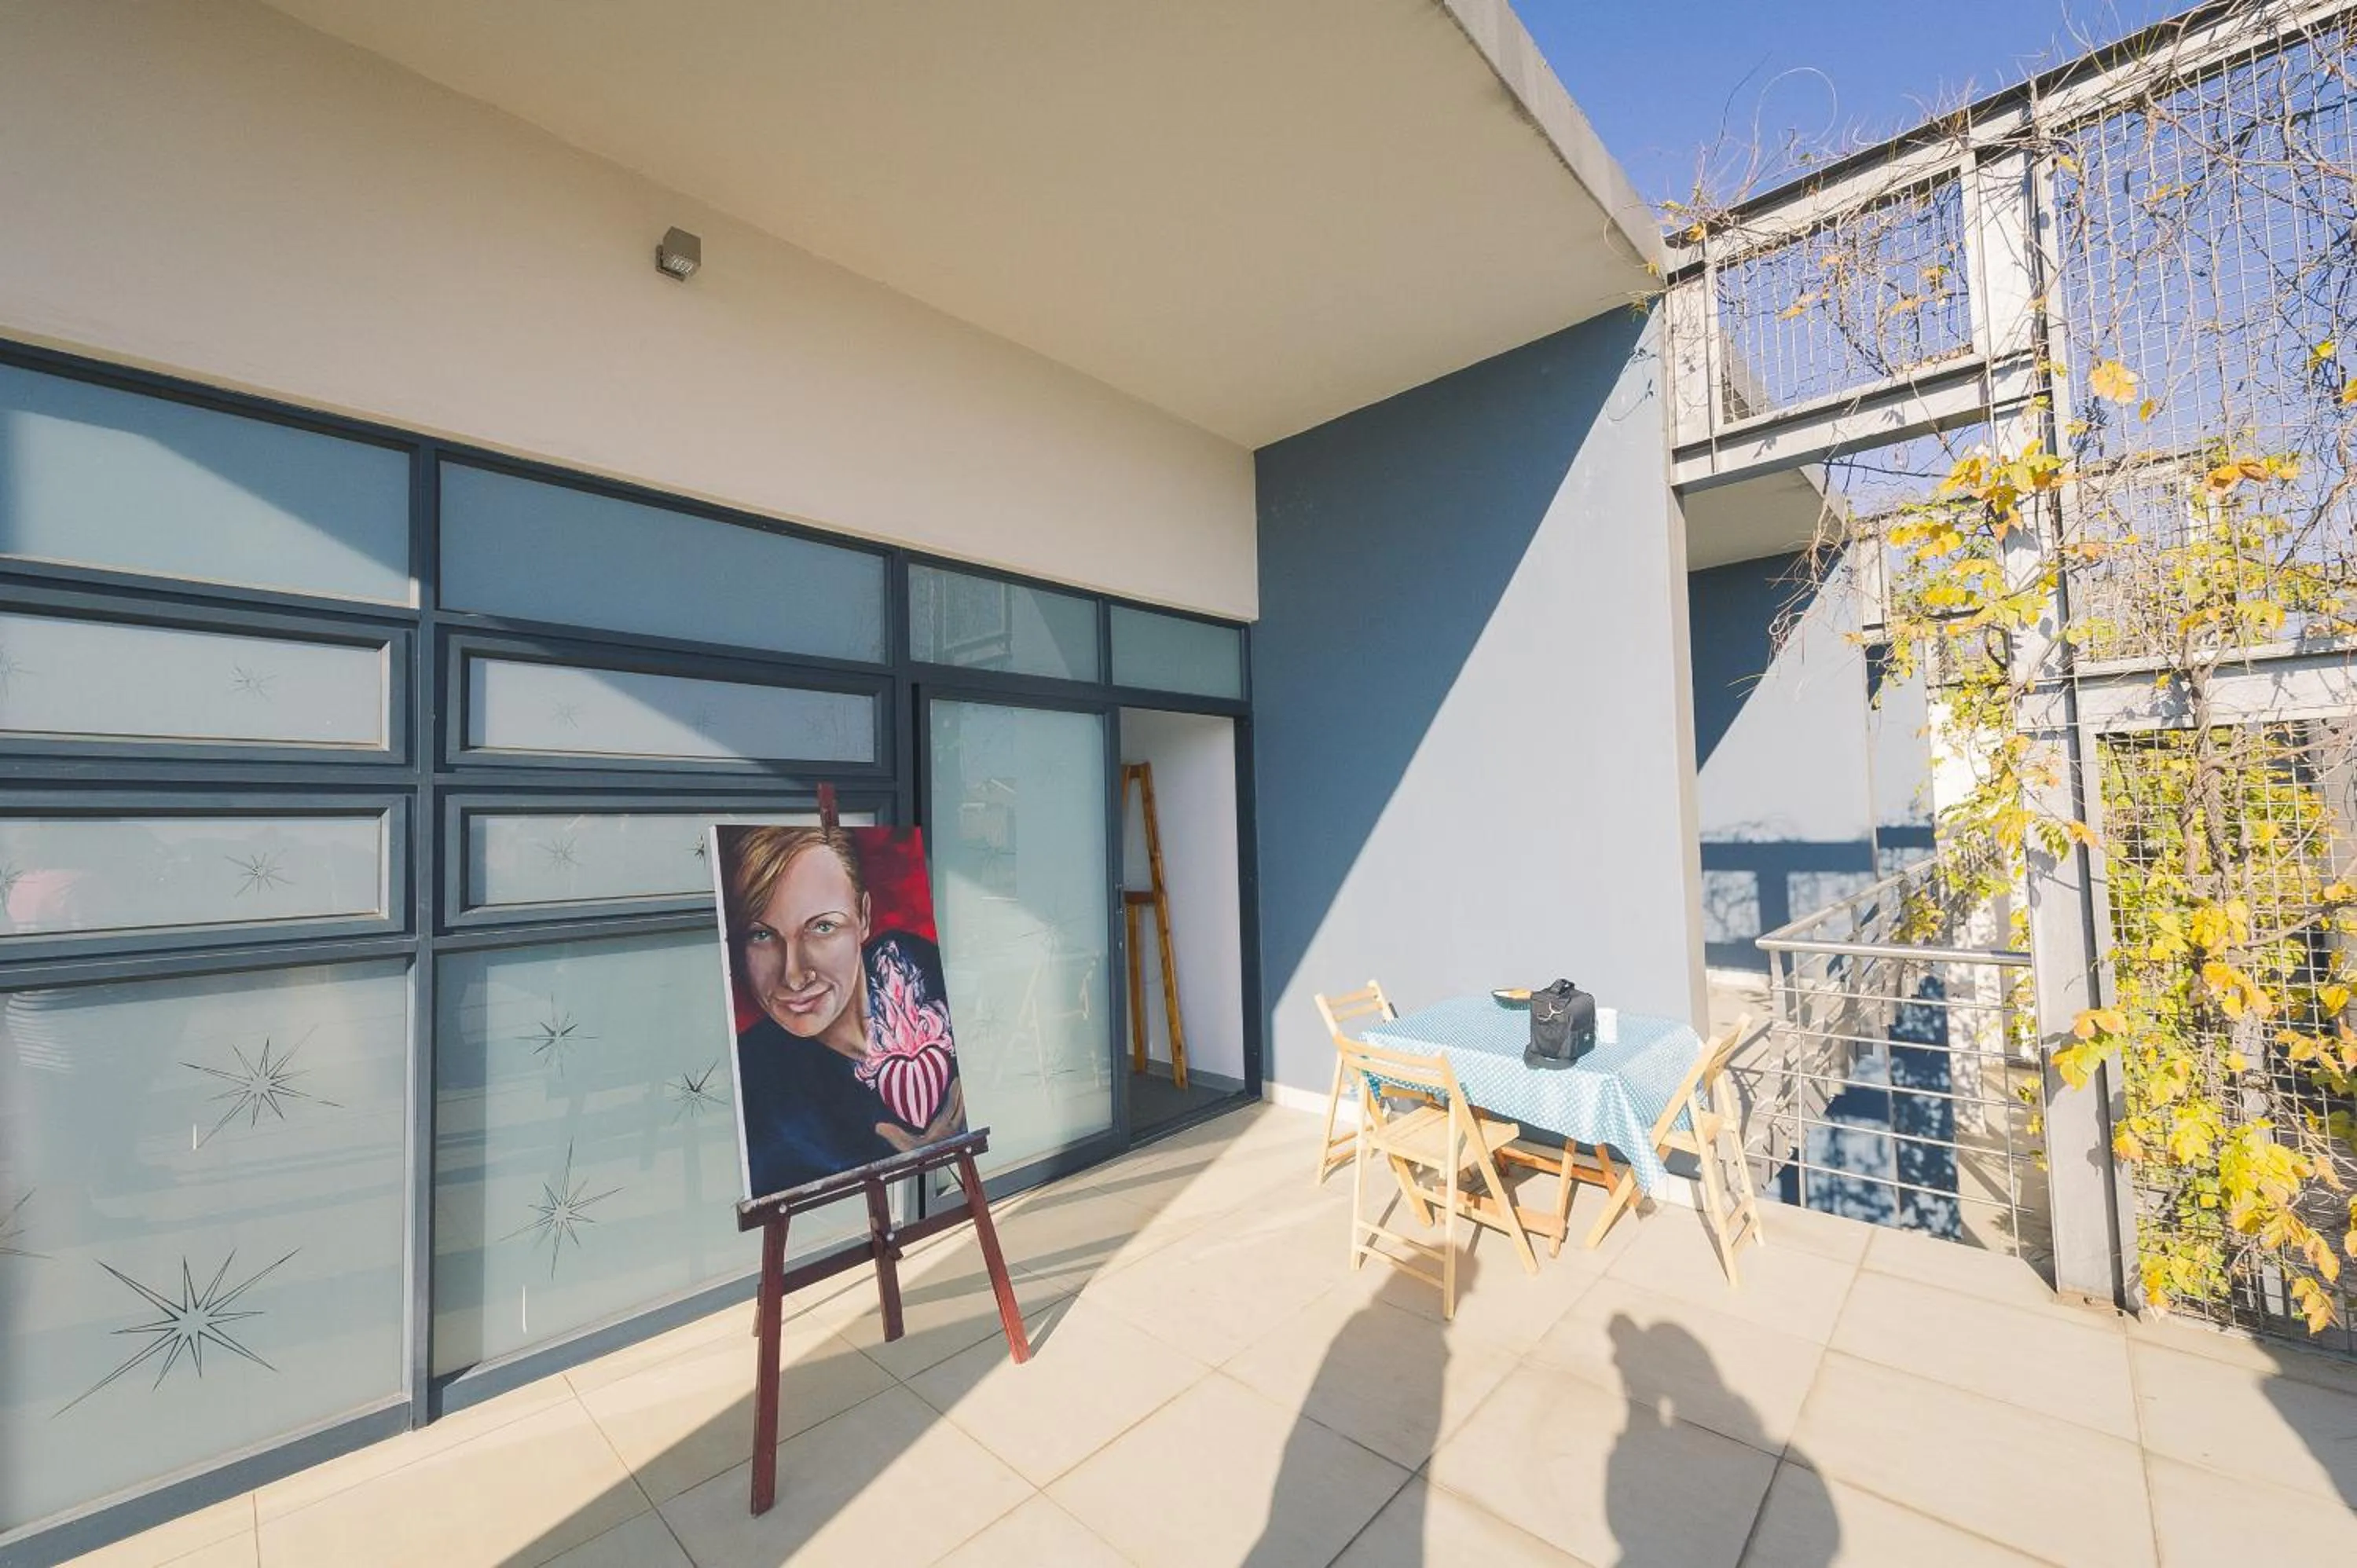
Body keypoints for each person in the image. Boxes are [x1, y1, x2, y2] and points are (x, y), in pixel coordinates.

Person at [723, 825, 967, 1199]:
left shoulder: (914, 966)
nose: (793, 975)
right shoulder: (759, 1082)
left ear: (864, 917)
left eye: (822, 927)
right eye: (762, 935)